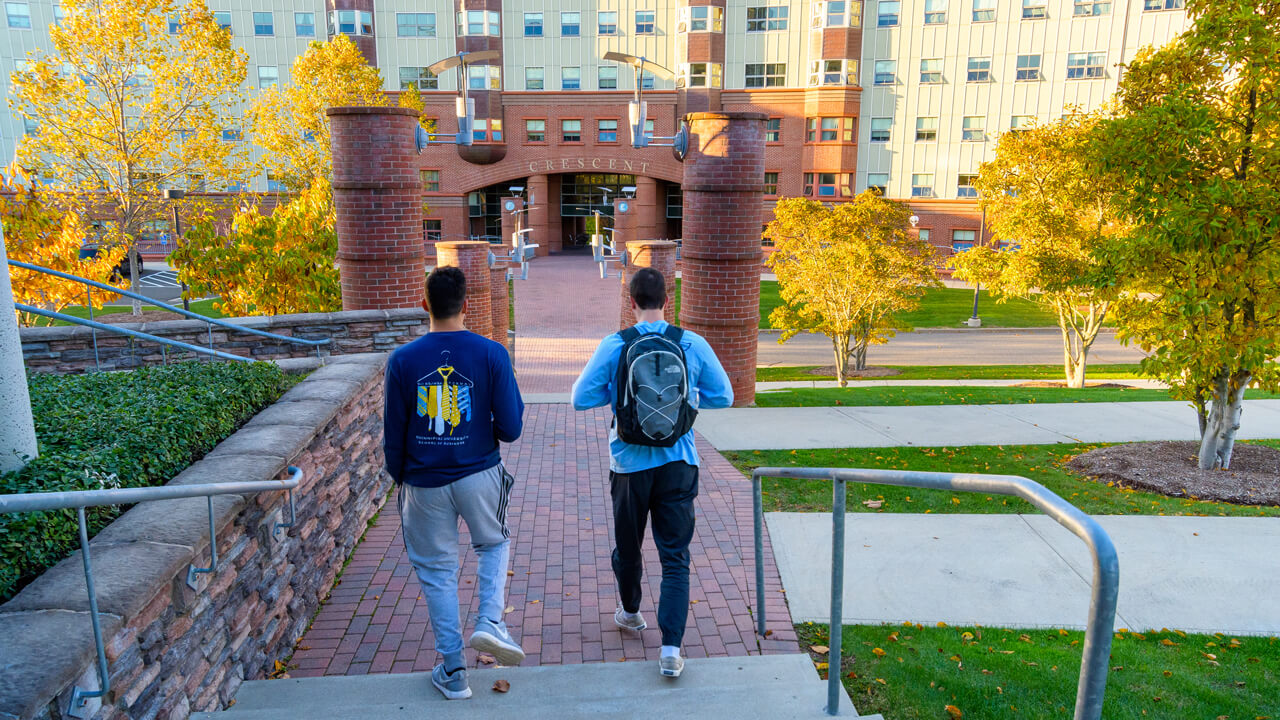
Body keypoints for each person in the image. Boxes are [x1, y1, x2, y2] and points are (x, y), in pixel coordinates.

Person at [571, 267, 734, 678]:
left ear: (631, 302)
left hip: (628, 465)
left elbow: (579, 398)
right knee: (675, 558)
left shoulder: (616, 344)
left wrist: (618, 398)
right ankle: (671, 650)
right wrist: (686, 408)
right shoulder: (691, 343)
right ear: (668, 300)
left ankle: (629, 612)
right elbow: (725, 396)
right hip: (679, 464)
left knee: (629, 549)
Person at [383, 266, 526, 700]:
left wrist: (404, 479)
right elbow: (512, 428)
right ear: (466, 305)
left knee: (438, 573)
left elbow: (394, 434)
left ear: (424, 304)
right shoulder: (491, 354)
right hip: (479, 472)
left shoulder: (402, 360)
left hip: (423, 482)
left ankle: (454, 670)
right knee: (494, 544)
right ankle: (490, 621)